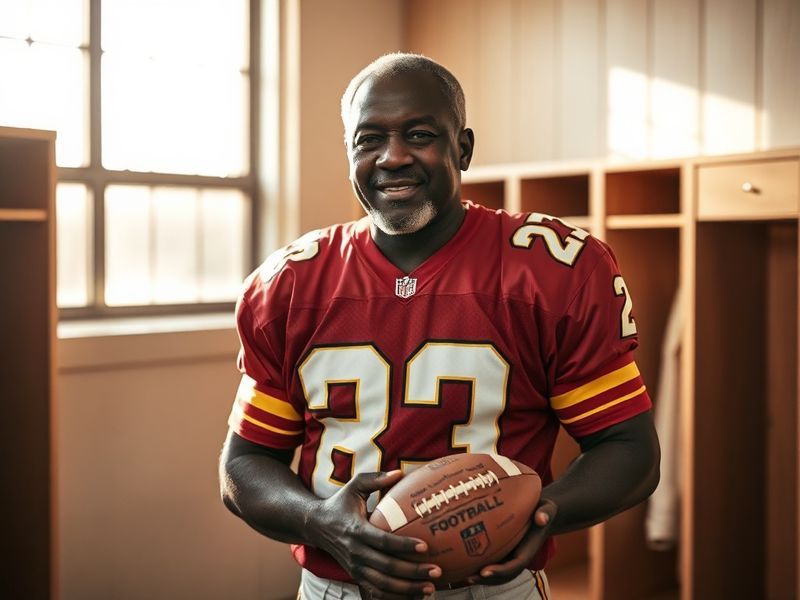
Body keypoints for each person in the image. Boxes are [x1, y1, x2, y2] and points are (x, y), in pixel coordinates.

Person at [219, 52, 660, 600]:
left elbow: (628, 446)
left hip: (492, 587)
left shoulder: (553, 270)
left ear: (464, 148)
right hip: (338, 587)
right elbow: (245, 463)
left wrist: (544, 514)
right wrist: (321, 522)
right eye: (369, 139)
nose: (393, 157)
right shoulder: (290, 283)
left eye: (420, 134)